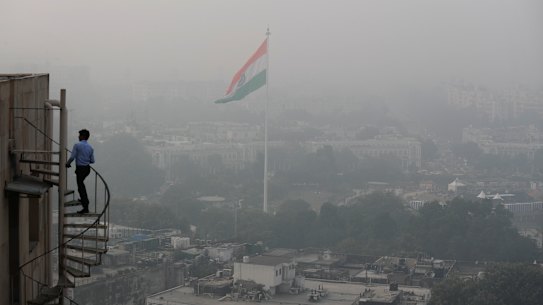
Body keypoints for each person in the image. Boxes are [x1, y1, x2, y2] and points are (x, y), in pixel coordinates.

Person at [66, 129, 95, 214]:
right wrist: (85, 159)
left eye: (79, 135)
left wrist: (67, 164)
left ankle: (85, 206)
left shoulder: (77, 145)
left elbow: (72, 157)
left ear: (83, 136)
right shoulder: (90, 147)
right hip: (87, 169)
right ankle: (83, 200)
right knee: (81, 185)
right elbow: (92, 161)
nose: (78, 136)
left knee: (81, 186)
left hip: (80, 169)